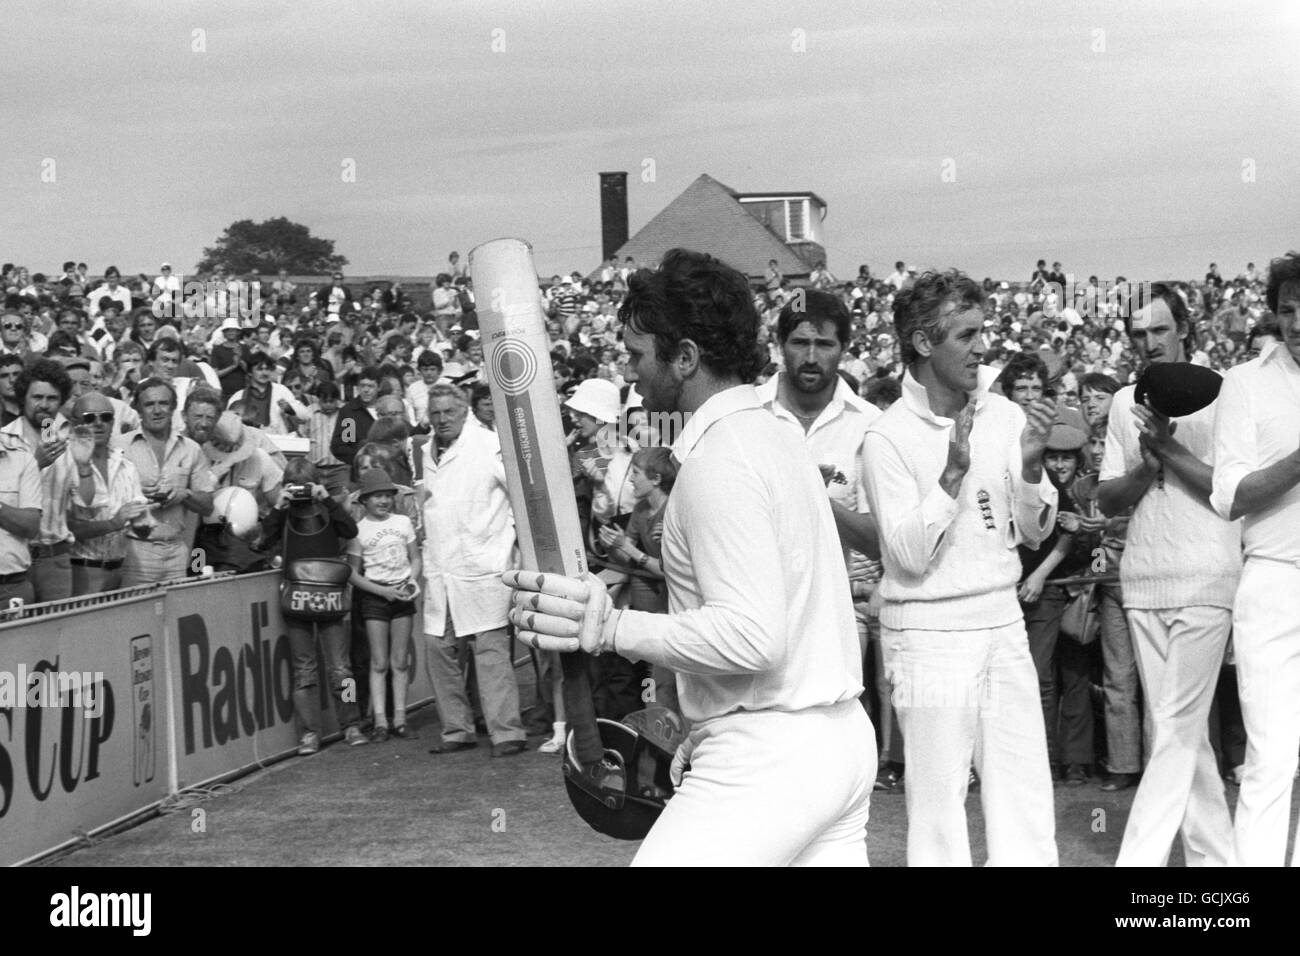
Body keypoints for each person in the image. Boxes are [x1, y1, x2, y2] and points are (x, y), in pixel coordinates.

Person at [506, 249, 874, 866]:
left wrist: (609, 626)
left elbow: (755, 639)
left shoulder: (720, 461)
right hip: (829, 742)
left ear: (685, 358)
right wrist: (704, 730)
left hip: (772, 753)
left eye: (637, 356)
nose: (633, 375)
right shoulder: (774, 434)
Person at [861, 268, 1059, 866]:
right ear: (923, 342)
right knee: (940, 805)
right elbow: (906, 557)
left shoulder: (1004, 416)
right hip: (927, 632)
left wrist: (1028, 470)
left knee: (1023, 789)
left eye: (982, 331)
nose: (982, 347)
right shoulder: (886, 436)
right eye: (966, 335)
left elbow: (1034, 530)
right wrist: (952, 473)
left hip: (1002, 620)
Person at [1098, 284, 1240, 867]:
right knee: (1181, 737)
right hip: (1142, 580)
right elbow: (1109, 498)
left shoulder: (1226, 395)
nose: (1149, 342)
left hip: (1207, 577)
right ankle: (1220, 868)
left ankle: (1139, 864)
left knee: (1175, 731)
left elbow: (1234, 493)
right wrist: (1145, 465)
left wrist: (1169, 451)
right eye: (1138, 333)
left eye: (1159, 330)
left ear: (1183, 328)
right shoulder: (1120, 402)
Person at [1210, 251, 1300, 866]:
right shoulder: (1245, 383)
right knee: (1271, 758)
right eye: (1287, 309)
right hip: (1274, 579)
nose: (1297, 322)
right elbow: (1231, 496)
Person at [420, 385, 528, 758]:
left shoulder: (488, 444)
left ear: (464, 410)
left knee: (489, 650)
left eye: (449, 412)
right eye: (435, 413)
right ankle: (456, 729)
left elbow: (520, 492)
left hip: (483, 565)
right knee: (439, 647)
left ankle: (507, 732)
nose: (442, 420)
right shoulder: (422, 451)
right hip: (441, 569)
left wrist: (511, 542)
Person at [263, 458, 369, 754]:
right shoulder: (283, 514)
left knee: (340, 668)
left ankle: (352, 724)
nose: (300, 493)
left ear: (316, 483)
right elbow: (261, 542)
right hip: (298, 597)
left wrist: (329, 500)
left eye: (305, 486)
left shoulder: (327, 507)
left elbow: (350, 531)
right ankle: (309, 734)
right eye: (294, 487)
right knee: (304, 670)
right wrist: (277, 507)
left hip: (329, 597)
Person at [346, 467, 421, 743]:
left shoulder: (403, 523)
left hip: (402, 595)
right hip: (375, 599)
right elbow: (352, 573)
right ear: (363, 500)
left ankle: (400, 719)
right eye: (376, 496)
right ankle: (380, 721)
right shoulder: (358, 530)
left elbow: (415, 559)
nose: (383, 501)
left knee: (399, 661)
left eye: (387, 495)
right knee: (378, 662)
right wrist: (382, 591)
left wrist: (411, 581)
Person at [120, 378, 216, 586]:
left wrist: (184, 494)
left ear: (173, 407)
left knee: (175, 616)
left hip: (177, 551)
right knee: (136, 614)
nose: (157, 410)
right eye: (149, 404)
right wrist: (135, 494)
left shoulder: (191, 449)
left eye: (163, 403)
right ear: (138, 409)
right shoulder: (121, 446)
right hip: (135, 550)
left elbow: (208, 506)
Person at [2, 359, 80, 602]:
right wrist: (36, 465)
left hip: (55, 557)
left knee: (57, 635)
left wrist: (86, 467)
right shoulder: (4, 441)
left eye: (52, 398)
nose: (44, 405)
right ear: (23, 397)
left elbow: (84, 503)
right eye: (37, 397)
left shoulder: (69, 440)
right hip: (13, 561)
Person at [65, 392, 149, 595]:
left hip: (123, 568)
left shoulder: (126, 465)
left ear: (113, 423)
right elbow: (69, 530)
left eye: (105, 417)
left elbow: (142, 528)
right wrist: (115, 523)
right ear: (75, 424)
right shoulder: (65, 464)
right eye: (89, 417)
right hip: (82, 569)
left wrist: (143, 523)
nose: (98, 423)